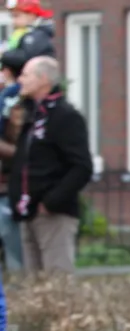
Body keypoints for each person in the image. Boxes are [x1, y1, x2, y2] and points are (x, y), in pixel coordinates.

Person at [9, 56, 92, 273]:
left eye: (26, 75)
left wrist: (51, 202)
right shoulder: (32, 116)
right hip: (28, 211)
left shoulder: (65, 117)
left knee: (57, 280)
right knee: (34, 283)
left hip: (52, 214)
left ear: (43, 79)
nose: (20, 80)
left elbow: (82, 166)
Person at [0, 49, 27, 271]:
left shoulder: (12, 99)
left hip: (8, 184)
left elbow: (19, 147)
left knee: (14, 248)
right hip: (8, 184)